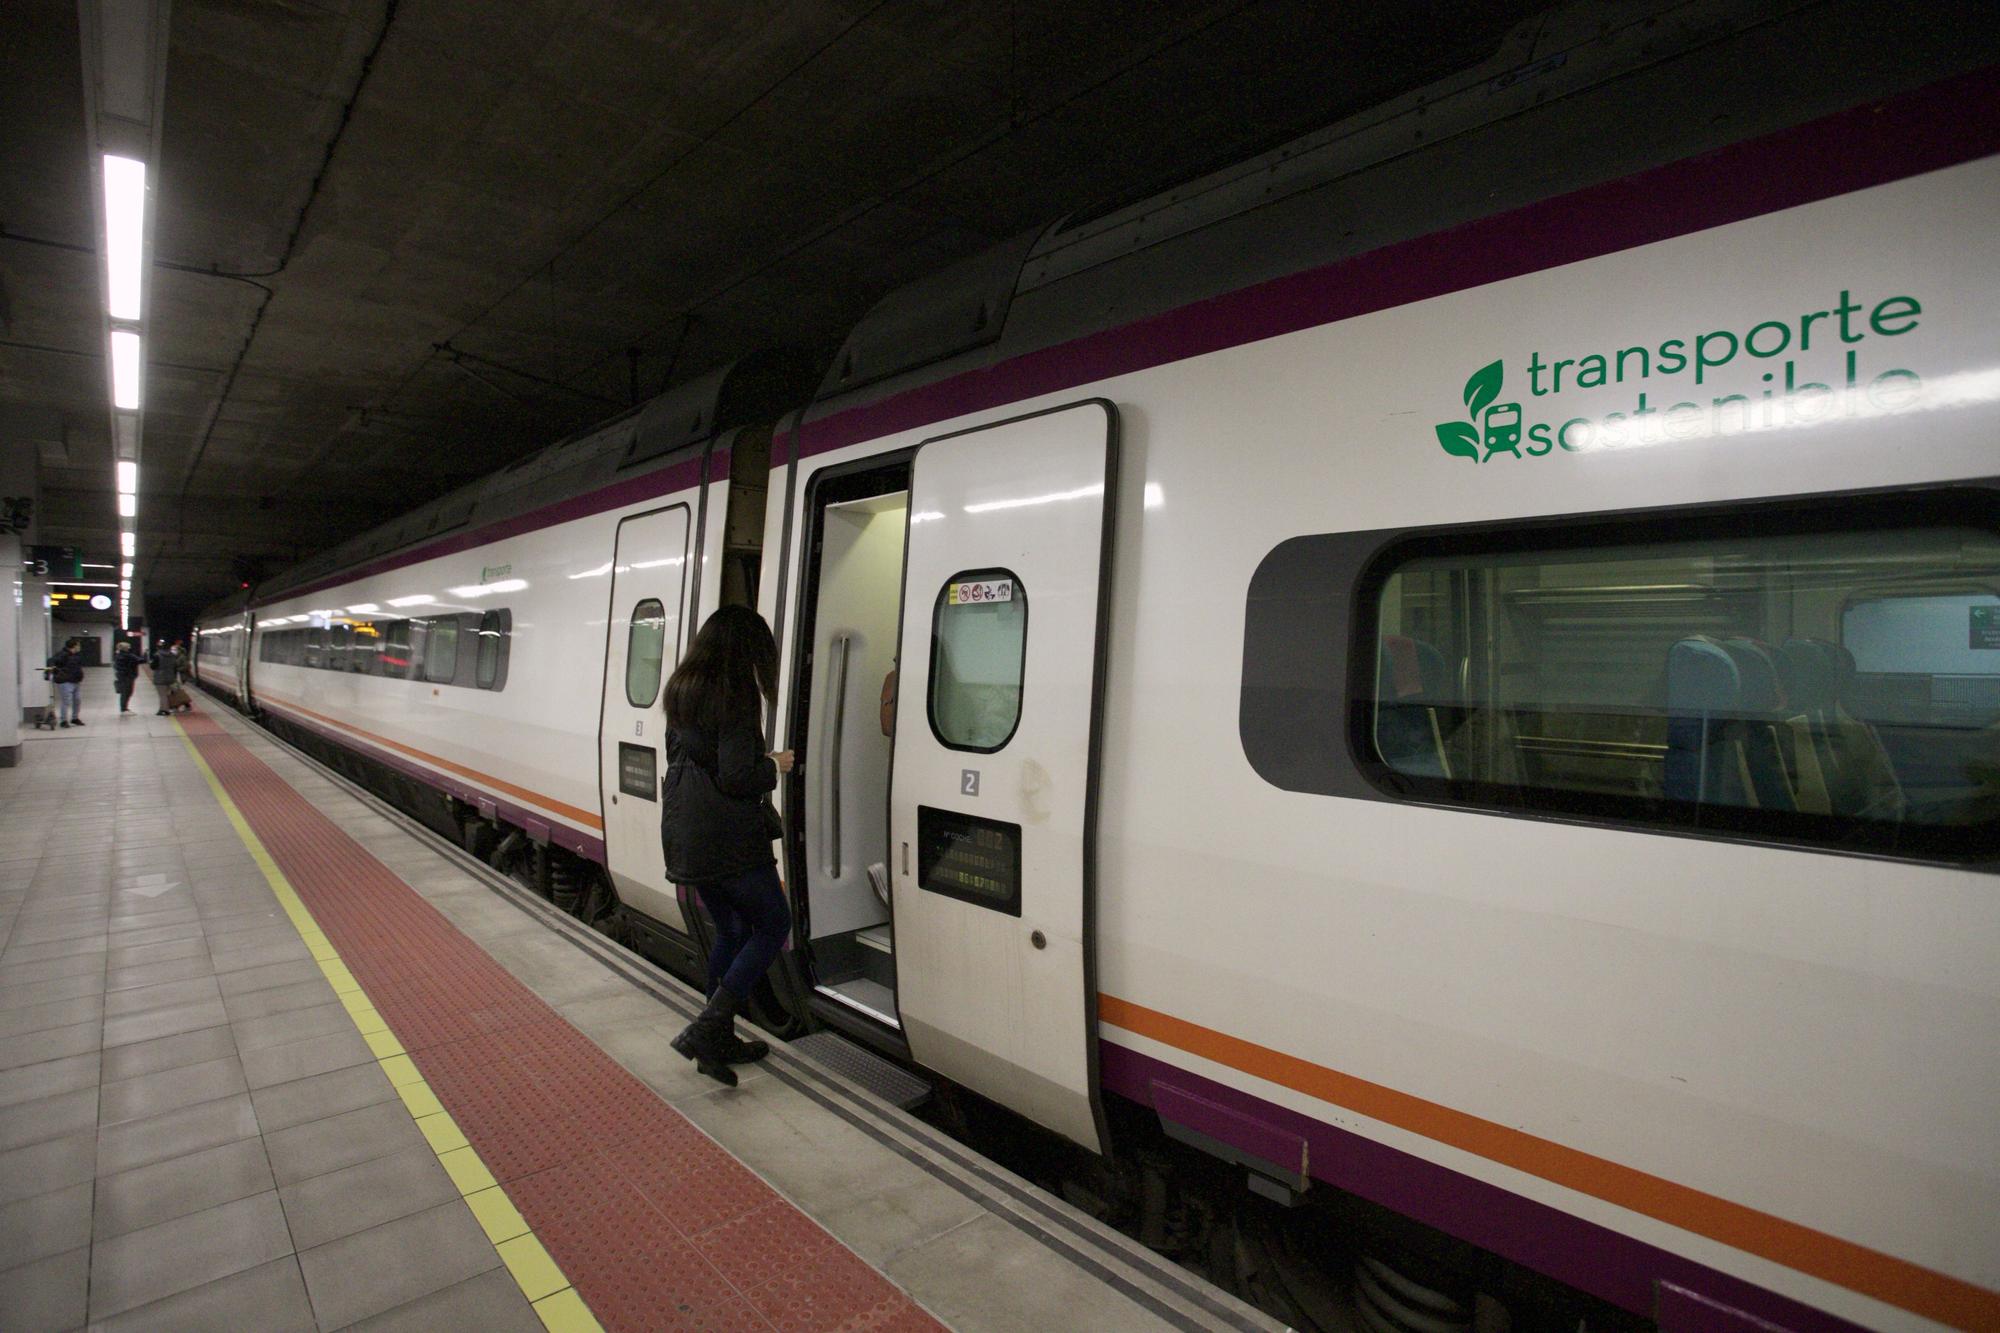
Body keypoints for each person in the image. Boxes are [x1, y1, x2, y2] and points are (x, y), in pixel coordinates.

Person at [660, 605, 795, 1086]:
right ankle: (710, 1026)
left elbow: (697, 758)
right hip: (727, 837)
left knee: (732, 929)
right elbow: (738, 776)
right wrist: (774, 764)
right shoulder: (736, 693)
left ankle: (717, 1037)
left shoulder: (682, 687)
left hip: (685, 832)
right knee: (774, 921)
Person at [46, 639, 86, 728]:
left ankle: (75, 718)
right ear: (74, 646)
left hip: (76, 681)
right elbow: (51, 661)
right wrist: (56, 671)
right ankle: (63, 720)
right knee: (66, 701)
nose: (79, 647)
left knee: (77, 700)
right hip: (65, 681)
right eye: (78, 645)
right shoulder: (63, 654)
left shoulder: (76, 655)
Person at [150, 640, 183, 716]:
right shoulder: (172, 656)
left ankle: (165, 710)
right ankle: (162, 709)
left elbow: (153, 666)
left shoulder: (157, 655)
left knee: (162, 695)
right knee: (166, 694)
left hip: (160, 677)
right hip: (170, 677)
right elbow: (175, 667)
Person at [113, 639, 143, 714]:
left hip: (121, 676)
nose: (130, 648)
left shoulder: (118, 655)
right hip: (128, 676)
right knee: (127, 692)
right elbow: (141, 660)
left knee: (125, 692)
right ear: (126, 648)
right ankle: (124, 709)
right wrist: (145, 653)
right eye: (129, 647)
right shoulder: (129, 655)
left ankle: (124, 708)